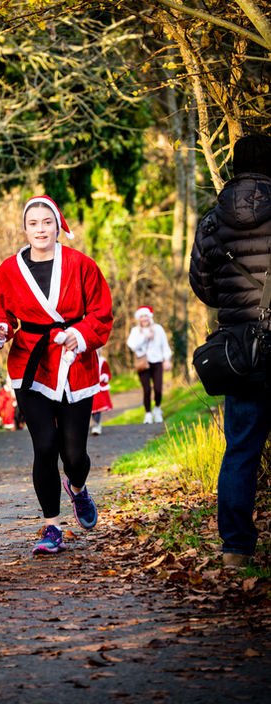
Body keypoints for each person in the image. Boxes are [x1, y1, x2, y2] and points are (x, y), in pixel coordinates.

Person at [0, 195, 113, 556]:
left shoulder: (82, 264)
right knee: (44, 446)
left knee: (74, 454)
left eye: (46, 222)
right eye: (33, 223)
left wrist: (81, 334)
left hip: (76, 363)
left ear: (58, 226)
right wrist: (1, 331)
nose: (40, 229)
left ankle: (79, 488)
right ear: (25, 228)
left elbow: (101, 312)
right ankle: (52, 526)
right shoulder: (9, 270)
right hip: (30, 365)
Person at [189, 132, 271, 569]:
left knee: (240, 449)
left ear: (234, 167)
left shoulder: (211, 221)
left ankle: (236, 550)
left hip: (242, 351)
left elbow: (202, 285)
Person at [127, 306, 172, 423]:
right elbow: (132, 346)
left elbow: (165, 346)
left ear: (150, 317)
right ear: (139, 318)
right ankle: (148, 414)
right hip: (143, 363)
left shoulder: (158, 329)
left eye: (146, 316)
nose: (144, 318)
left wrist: (167, 360)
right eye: (141, 316)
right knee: (146, 390)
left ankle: (157, 409)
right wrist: (144, 337)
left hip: (157, 362)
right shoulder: (135, 331)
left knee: (158, 389)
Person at [91, 349, 113, 435]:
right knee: (92, 409)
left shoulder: (103, 361)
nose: (97, 351)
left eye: (99, 349)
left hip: (99, 388)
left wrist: (104, 376)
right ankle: (95, 424)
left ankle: (96, 425)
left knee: (97, 408)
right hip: (89, 387)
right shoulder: (88, 360)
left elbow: (108, 374)